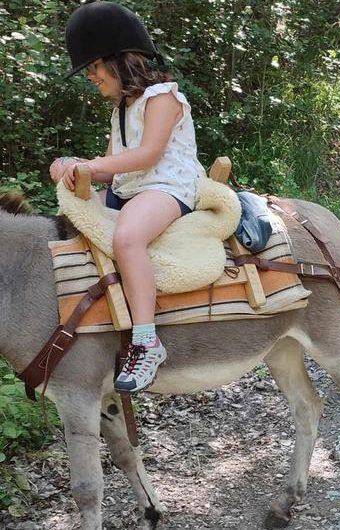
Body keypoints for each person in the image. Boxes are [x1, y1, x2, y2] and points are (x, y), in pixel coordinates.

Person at [50, 1, 204, 393]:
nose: (91, 76)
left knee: (126, 238)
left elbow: (149, 154)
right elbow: (116, 163)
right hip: (128, 189)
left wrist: (91, 166)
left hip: (166, 186)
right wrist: (73, 170)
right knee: (74, 225)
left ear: (119, 61)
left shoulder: (163, 98)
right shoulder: (121, 108)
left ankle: (147, 341)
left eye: (95, 67)